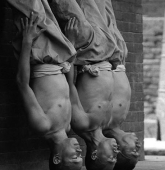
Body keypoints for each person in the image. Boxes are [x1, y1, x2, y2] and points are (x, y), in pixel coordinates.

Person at [51, 0, 141, 169]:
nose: (115, 154)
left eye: (110, 158)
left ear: (95, 153)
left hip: (91, 51)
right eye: (116, 158)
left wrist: (72, 49)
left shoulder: (82, 124)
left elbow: (70, 86)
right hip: (105, 55)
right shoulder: (104, 122)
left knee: (81, 16)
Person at [16, 12, 83, 170]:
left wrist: (26, 41)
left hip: (39, 51)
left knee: (32, 7)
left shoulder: (43, 125)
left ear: (57, 158)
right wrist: (70, 45)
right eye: (81, 157)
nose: (79, 150)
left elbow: (22, 83)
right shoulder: (66, 127)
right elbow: (69, 83)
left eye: (74, 157)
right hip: (59, 56)